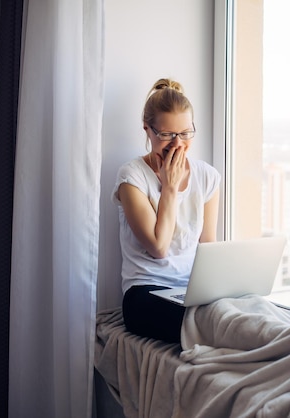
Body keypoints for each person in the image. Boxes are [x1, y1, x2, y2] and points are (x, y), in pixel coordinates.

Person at [112, 78, 221, 343]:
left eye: (185, 133)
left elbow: (208, 248)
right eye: (167, 135)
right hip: (144, 293)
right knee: (212, 328)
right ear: (147, 130)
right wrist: (170, 188)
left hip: (189, 291)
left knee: (234, 317)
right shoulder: (132, 177)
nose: (177, 144)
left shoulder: (207, 176)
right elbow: (159, 248)